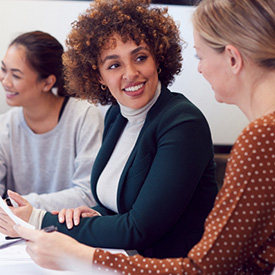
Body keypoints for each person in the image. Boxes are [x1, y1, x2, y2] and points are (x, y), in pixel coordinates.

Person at [8, 0, 275, 274]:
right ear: (97, 74)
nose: (200, 69)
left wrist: (50, 227)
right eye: (113, 65)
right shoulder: (116, 116)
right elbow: (126, 205)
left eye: (200, 57)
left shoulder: (202, 125)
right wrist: (93, 214)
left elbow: (204, 263)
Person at [0, 31, 103, 211]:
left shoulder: (84, 116)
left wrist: (20, 206)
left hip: (69, 230)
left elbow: (88, 194)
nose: (5, 81)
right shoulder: (4, 126)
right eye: (3, 69)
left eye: (16, 75)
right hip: (17, 232)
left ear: (47, 83)